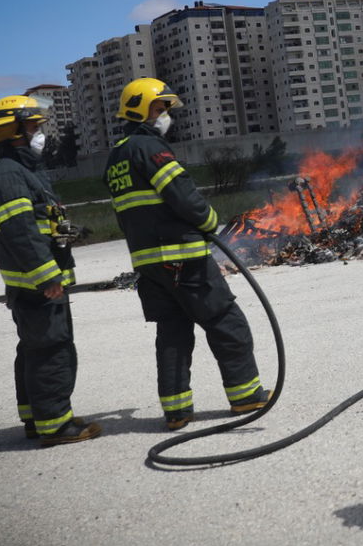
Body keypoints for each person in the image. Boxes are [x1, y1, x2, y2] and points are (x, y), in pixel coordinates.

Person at [105, 78, 269, 429]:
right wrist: (211, 222)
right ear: (139, 109)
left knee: (173, 333)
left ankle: (177, 411)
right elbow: (182, 194)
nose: (165, 115)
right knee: (226, 320)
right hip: (183, 255)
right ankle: (246, 395)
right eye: (159, 108)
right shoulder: (151, 149)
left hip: (149, 263)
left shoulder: (116, 157)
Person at [0, 95, 101, 447]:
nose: (39, 135)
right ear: (13, 132)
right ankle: (55, 425)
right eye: (33, 127)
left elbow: (32, 224)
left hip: (28, 282)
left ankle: (36, 417)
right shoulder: (9, 174)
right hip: (38, 284)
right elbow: (19, 231)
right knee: (52, 348)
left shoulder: (18, 171)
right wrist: (48, 275)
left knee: (34, 348)